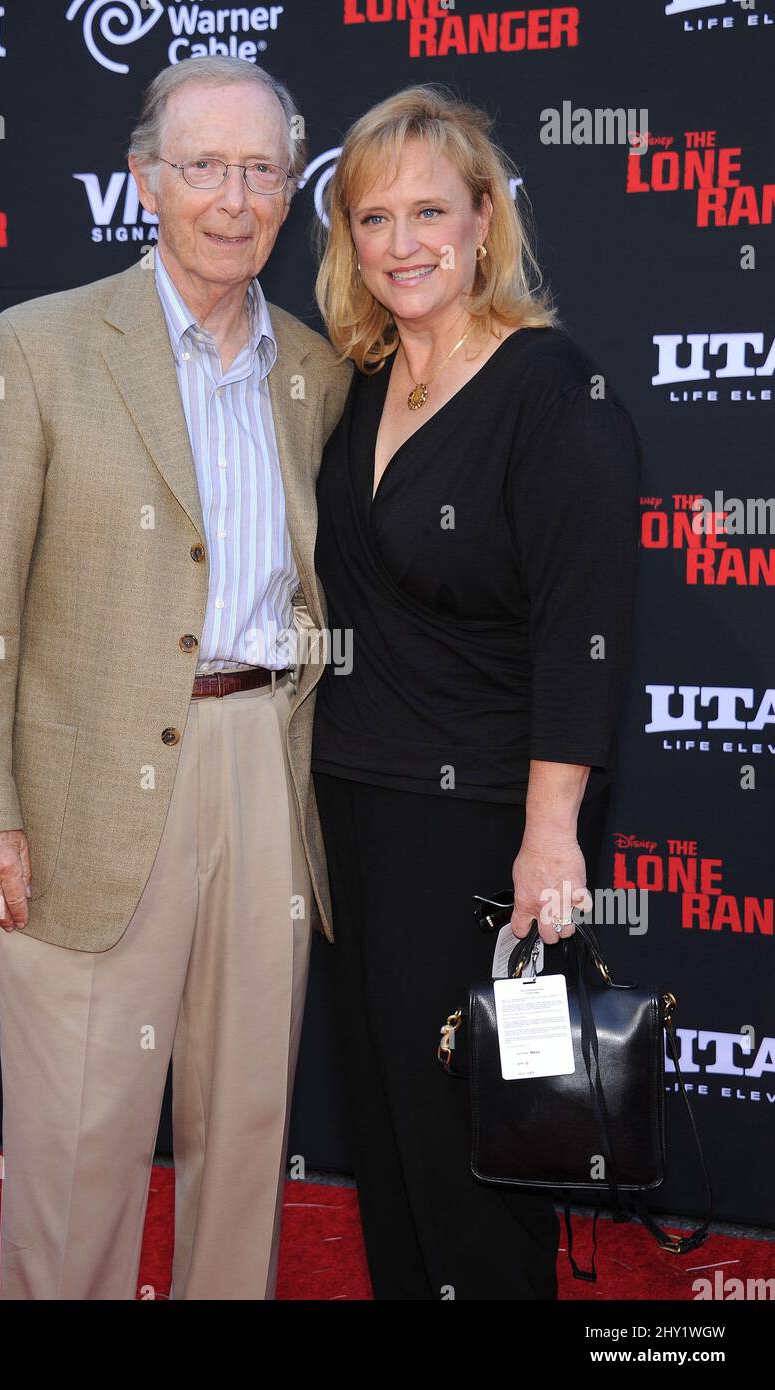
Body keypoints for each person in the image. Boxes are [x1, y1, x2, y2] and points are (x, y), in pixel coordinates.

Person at [0, 55, 352, 1300]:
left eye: (259, 169)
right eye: (201, 166)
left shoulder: (316, 375)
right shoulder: (41, 346)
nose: (231, 196)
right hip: (81, 788)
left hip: (264, 766)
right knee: (77, 1141)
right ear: (143, 181)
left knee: (250, 1123)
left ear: (289, 188)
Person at [310, 85, 642, 1300]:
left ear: (486, 220)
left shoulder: (552, 392)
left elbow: (587, 633)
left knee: (471, 1153)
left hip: (479, 822)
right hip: (353, 808)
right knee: (391, 1135)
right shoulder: (358, 381)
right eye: (373, 216)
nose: (403, 242)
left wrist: (550, 836)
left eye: (430, 211)